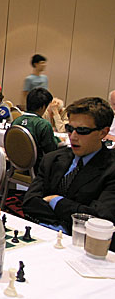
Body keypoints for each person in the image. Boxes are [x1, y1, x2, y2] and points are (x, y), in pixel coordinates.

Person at [23, 97, 115, 251]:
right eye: (70, 129)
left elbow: (99, 221)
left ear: (103, 132)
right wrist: (73, 216)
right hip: (43, 238)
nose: (73, 137)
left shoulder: (111, 169)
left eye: (82, 131)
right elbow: (30, 203)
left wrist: (55, 201)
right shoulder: (53, 158)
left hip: (85, 248)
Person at [12, 87, 60, 171]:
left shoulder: (16, 121)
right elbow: (51, 149)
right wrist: (57, 140)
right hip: (37, 167)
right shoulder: (43, 124)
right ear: (43, 107)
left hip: (17, 164)